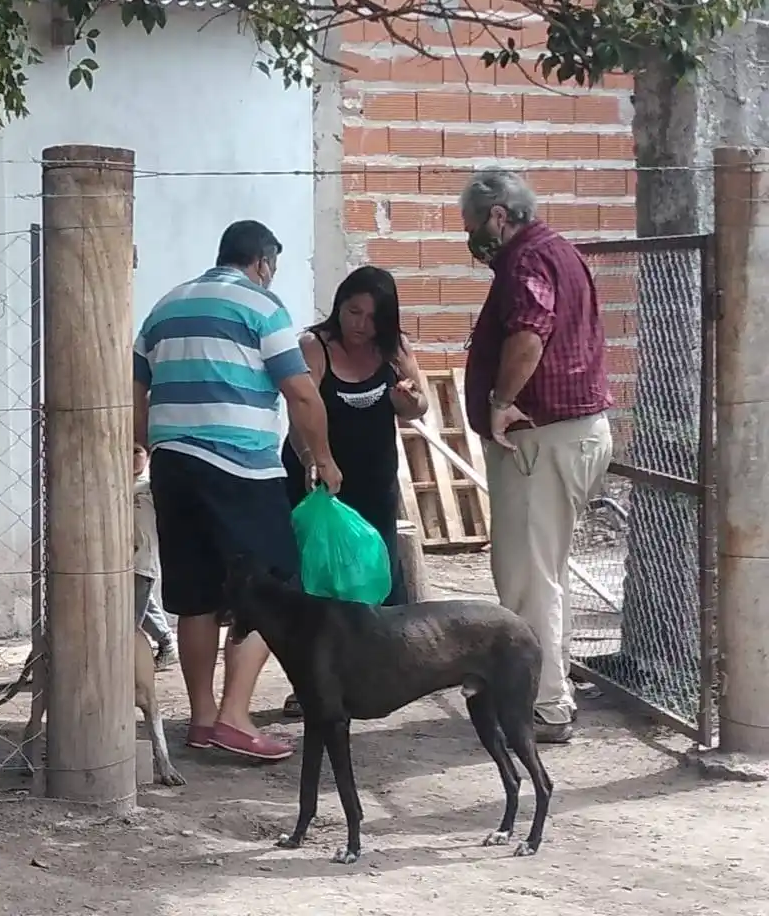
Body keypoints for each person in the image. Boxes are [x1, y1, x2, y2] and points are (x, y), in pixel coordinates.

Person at [132, 219, 342, 762]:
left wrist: (149, 444)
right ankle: (234, 717)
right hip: (240, 470)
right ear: (264, 261)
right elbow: (300, 392)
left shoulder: (165, 307)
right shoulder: (261, 306)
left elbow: (136, 389)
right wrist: (321, 458)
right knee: (274, 589)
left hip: (173, 465)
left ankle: (202, 719)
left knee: (194, 595)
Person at [459, 168, 613, 745]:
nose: (471, 237)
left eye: (472, 224)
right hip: (570, 432)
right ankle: (548, 692)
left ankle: (542, 704)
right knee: (543, 574)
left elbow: (529, 332)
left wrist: (500, 400)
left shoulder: (526, 261)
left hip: (542, 437)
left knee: (526, 579)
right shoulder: (559, 251)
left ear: (499, 214)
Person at [279, 265, 428, 718]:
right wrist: (313, 459)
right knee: (317, 581)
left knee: (372, 574)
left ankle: (370, 676)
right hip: (320, 479)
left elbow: (418, 404)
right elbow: (300, 411)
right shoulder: (315, 346)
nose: (360, 325)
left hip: (374, 477)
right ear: (339, 306)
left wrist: (408, 400)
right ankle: (310, 683)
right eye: (353, 311)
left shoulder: (394, 349)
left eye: (372, 316)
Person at [132, 443, 177, 669]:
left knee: (130, 618)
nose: (130, 458)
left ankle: (127, 661)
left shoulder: (149, 487)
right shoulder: (120, 486)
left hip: (143, 561)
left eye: (136, 451)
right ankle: (167, 644)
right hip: (125, 562)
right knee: (144, 605)